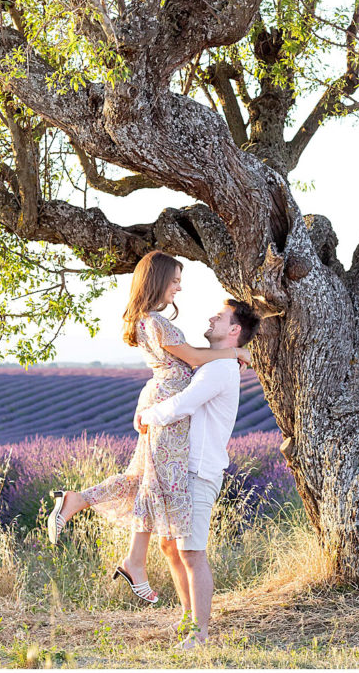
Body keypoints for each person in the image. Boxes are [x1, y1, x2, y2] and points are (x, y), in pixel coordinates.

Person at [47, 251, 250, 605]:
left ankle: (112, 538)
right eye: (174, 281)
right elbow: (196, 359)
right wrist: (235, 354)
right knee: (156, 484)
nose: (180, 287)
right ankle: (129, 556)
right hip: (169, 409)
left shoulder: (147, 321)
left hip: (159, 399)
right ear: (156, 281)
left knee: (142, 480)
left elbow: (190, 355)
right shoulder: (158, 322)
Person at [136, 299, 260, 648]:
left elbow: (185, 403)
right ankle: (189, 620)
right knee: (169, 546)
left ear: (234, 330)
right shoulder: (216, 363)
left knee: (192, 551)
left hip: (199, 470)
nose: (211, 318)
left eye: (219, 317)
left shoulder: (220, 369)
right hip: (182, 468)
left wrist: (148, 416)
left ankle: (200, 634)